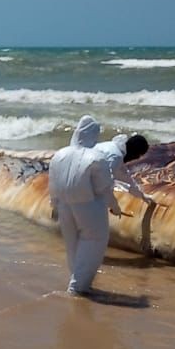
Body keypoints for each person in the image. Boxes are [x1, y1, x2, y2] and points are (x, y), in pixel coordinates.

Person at [47, 114, 118, 295]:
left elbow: (53, 184)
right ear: (93, 134)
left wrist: (53, 205)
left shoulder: (59, 154)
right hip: (88, 205)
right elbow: (104, 188)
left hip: (64, 205)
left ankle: (76, 277)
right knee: (94, 240)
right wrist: (114, 206)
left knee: (72, 243)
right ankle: (78, 286)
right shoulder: (97, 157)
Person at [95, 132, 155, 206]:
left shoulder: (113, 147)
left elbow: (127, 179)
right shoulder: (116, 157)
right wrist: (113, 205)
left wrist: (142, 196)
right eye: (138, 155)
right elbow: (105, 183)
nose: (137, 158)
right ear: (134, 151)